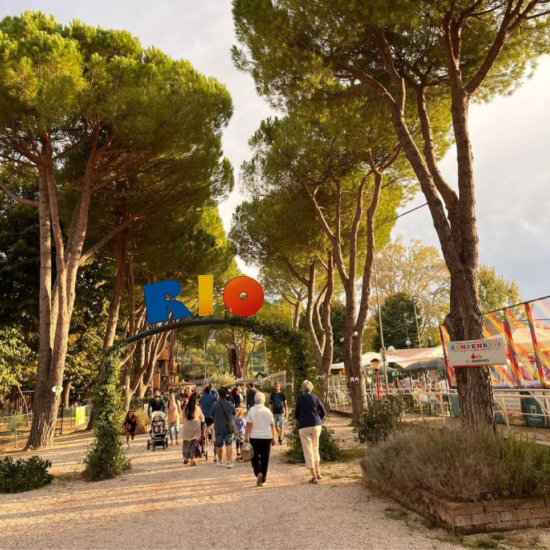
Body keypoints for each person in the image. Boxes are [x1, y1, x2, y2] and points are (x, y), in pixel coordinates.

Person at [294, 380, 326, 484]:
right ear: (311, 388)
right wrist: (319, 420)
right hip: (316, 425)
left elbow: (296, 414)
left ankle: (313, 476)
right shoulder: (316, 397)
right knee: (315, 448)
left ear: (302, 389)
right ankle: (318, 472)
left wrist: (301, 420)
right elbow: (323, 411)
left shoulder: (300, 399)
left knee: (308, 450)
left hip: (304, 426)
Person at [244, 392, 275, 487]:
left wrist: (245, 437)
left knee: (254, 456)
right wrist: (273, 438)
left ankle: (258, 473)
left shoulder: (251, 410)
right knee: (265, 458)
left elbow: (248, 424)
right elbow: (272, 426)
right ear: (264, 400)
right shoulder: (268, 411)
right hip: (267, 437)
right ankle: (263, 480)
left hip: (254, 437)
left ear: (255, 400)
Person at [210, 388, 236, 469]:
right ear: (226, 395)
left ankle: (220, 461)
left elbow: (211, 416)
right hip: (228, 427)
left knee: (219, 445)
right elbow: (234, 414)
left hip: (218, 427)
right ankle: (229, 462)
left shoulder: (215, 405)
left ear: (219, 396)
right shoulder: (230, 404)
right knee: (229, 444)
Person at [181, 393, 204, 466]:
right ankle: (191, 461)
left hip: (186, 428)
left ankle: (186, 458)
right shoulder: (197, 408)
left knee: (186, 444)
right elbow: (202, 418)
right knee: (192, 444)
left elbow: (182, 418)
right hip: (195, 428)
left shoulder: (185, 408)